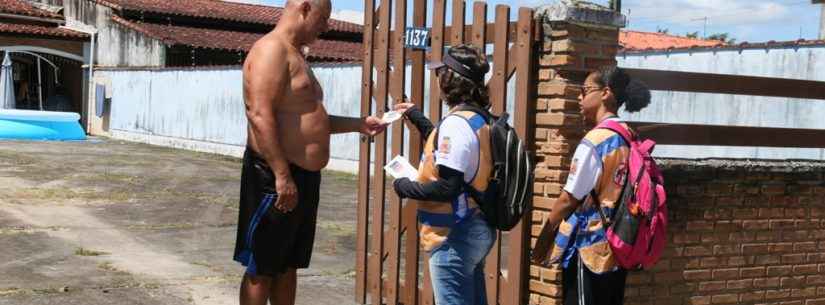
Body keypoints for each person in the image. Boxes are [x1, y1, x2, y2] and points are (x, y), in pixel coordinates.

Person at [234, 0, 387, 304]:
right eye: (323, 17)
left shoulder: (297, 56)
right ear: (304, 8)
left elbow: (310, 121)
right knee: (261, 266)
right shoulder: (271, 50)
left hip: (303, 178)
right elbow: (259, 114)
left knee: (288, 264)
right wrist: (281, 175)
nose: (327, 26)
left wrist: (359, 124)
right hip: (274, 178)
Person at [530, 66, 652, 305]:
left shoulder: (596, 140)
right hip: (619, 243)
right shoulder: (627, 134)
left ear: (605, 93)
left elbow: (568, 199)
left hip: (590, 249)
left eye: (584, 91)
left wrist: (544, 239)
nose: (579, 97)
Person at [391, 44, 496, 305]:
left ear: (449, 79)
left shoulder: (455, 125)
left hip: (453, 233)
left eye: (440, 73)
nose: (437, 79)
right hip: (477, 224)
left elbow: (447, 187)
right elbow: (450, 151)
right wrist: (415, 115)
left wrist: (404, 186)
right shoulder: (478, 119)